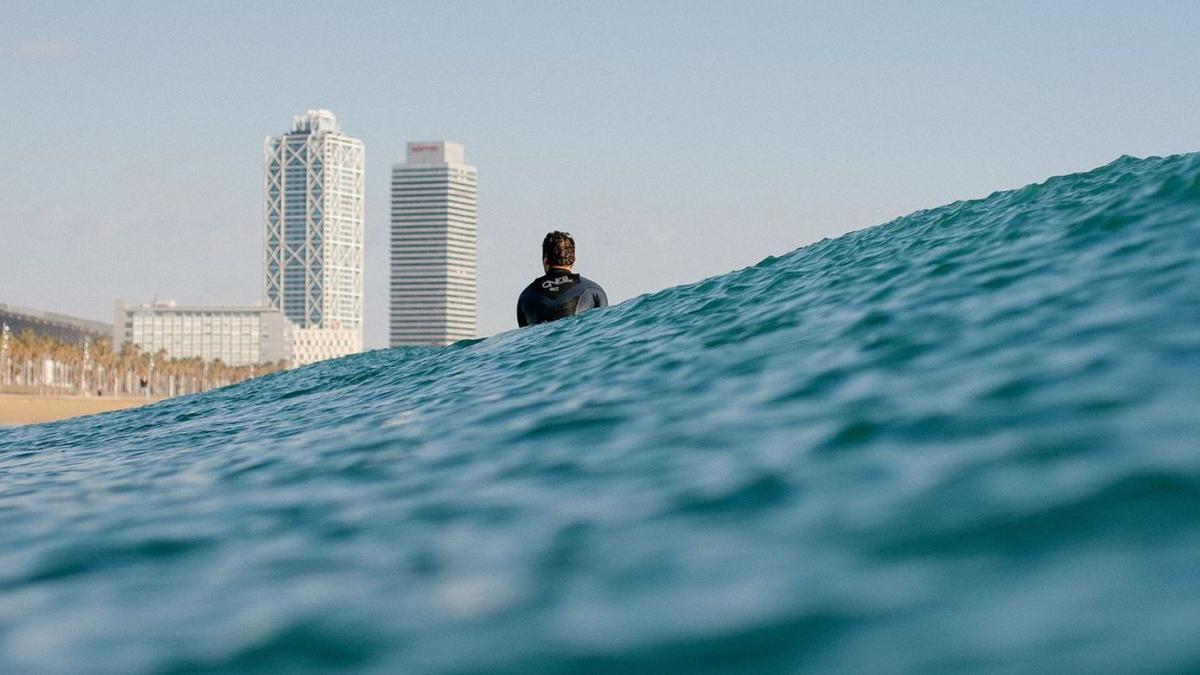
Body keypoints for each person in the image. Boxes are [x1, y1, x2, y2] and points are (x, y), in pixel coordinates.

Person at [517, 231, 608, 327]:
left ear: (545, 260)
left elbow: (527, 339)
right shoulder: (594, 291)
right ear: (573, 259)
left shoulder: (526, 297)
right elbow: (602, 332)